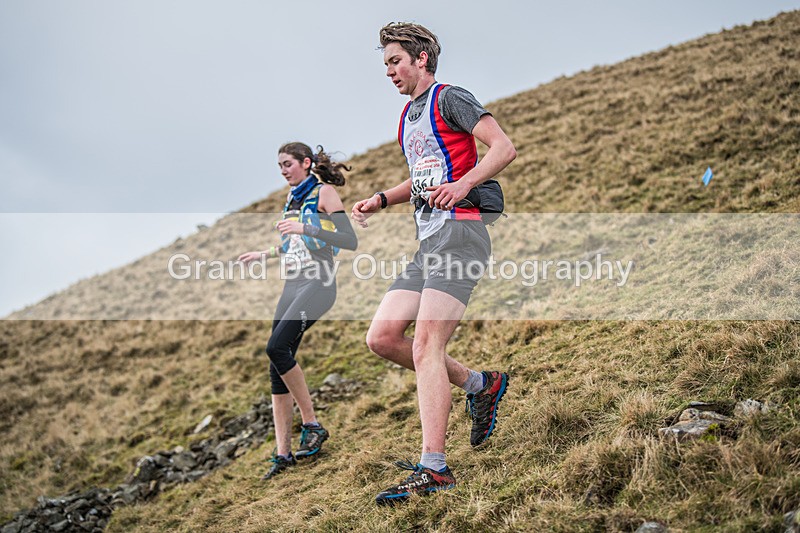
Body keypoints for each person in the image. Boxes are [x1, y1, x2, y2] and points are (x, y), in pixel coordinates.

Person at [351, 23, 517, 504]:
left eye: (395, 61)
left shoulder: (450, 98)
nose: (389, 72)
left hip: (461, 233)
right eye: (385, 64)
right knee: (382, 337)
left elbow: (503, 147)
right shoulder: (407, 118)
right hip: (429, 242)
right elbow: (422, 180)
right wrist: (381, 199)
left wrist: (464, 185)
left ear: (421, 59)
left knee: (426, 346)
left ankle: (434, 467)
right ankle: (481, 385)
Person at [239, 142, 358, 480]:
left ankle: (312, 424)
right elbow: (292, 243)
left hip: (318, 283)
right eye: (279, 165)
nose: (283, 170)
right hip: (292, 282)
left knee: (276, 347)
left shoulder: (324, 194)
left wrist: (306, 228)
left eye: (288, 163)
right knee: (277, 361)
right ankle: (283, 454)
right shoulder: (290, 200)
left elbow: (349, 240)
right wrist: (265, 254)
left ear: (306, 163)